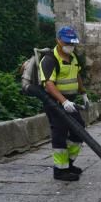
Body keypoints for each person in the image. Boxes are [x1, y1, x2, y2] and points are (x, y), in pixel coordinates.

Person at [37, 25, 88, 181]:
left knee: (79, 130)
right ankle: (60, 171)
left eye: (72, 43)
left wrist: (83, 92)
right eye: (67, 43)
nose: (70, 46)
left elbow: (76, 74)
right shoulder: (49, 59)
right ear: (58, 40)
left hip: (69, 101)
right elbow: (49, 84)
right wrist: (63, 101)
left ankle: (69, 163)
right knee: (59, 133)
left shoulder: (73, 58)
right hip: (55, 102)